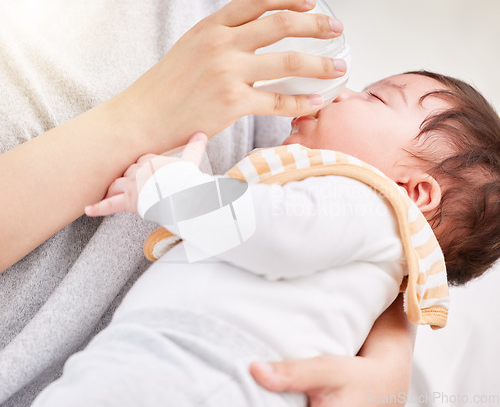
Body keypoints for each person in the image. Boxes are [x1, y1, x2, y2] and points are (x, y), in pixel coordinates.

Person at [0, 0, 413, 406]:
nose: (345, 96)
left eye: (375, 97)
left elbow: (361, 206)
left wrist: (391, 355)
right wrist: (143, 118)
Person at [31, 71, 500, 405]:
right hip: (164, 357)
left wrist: (169, 191)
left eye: (376, 99)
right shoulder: (353, 221)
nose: (344, 93)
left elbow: (274, 232)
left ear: (414, 192)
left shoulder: (371, 203)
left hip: (211, 373)